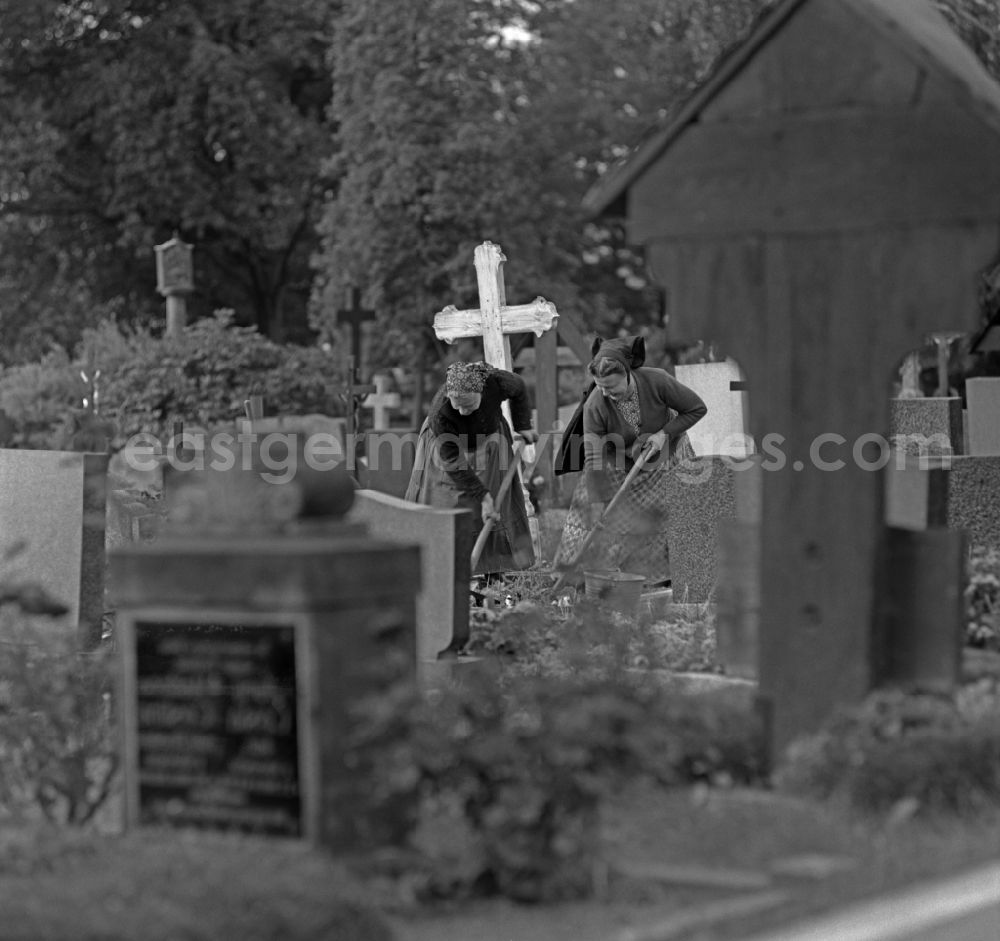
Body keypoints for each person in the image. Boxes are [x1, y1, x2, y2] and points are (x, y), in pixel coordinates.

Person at [554, 335, 707, 585]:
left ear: (628, 374)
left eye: (612, 387)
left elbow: (696, 408)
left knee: (669, 510)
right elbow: (593, 458)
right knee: (585, 511)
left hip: (667, 452)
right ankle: (577, 580)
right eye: (601, 386)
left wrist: (663, 434)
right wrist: (597, 503)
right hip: (619, 459)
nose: (607, 393)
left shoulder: (657, 380)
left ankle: (664, 578)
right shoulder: (595, 404)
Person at [405, 360, 538, 576]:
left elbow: (519, 388)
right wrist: (483, 497)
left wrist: (524, 425)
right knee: (450, 503)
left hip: (490, 442)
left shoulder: (497, 382)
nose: (462, 411)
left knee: (496, 505)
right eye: (457, 404)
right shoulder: (440, 414)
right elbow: (453, 463)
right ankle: (441, 567)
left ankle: (495, 568)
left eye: (468, 405)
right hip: (448, 452)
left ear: (481, 393)